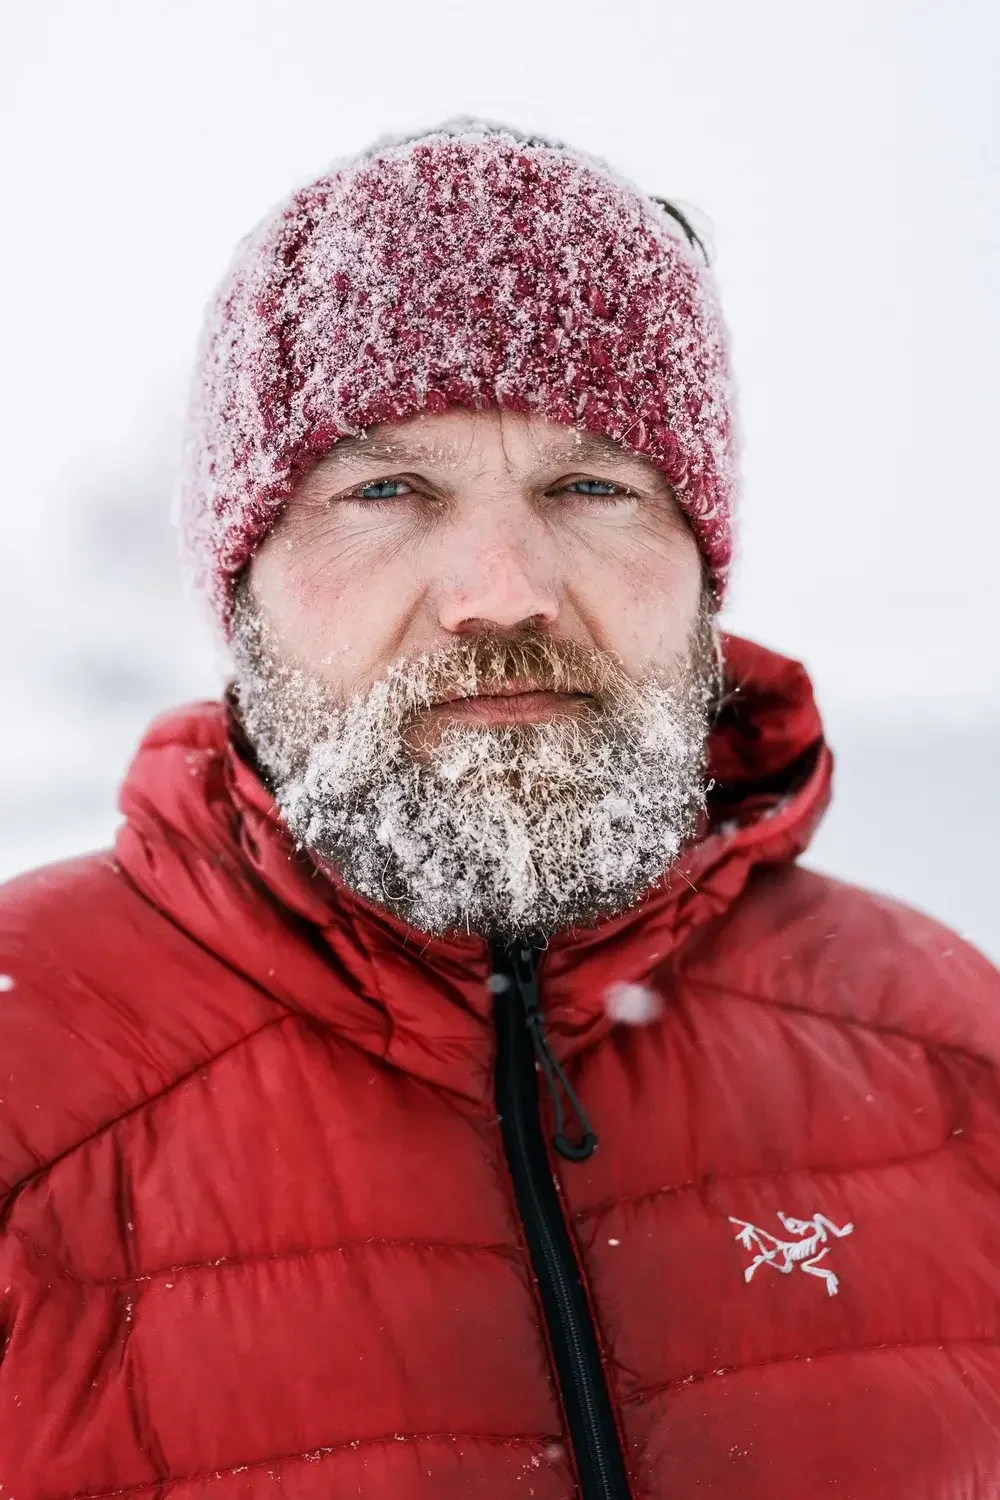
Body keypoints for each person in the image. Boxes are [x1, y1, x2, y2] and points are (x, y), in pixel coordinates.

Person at [1, 120, 998, 1500]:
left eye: (592, 487)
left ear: (700, 571)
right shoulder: (23, 1073)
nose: (504, 588)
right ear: (242, 584)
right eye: (387, 488)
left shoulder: (953, 1056)